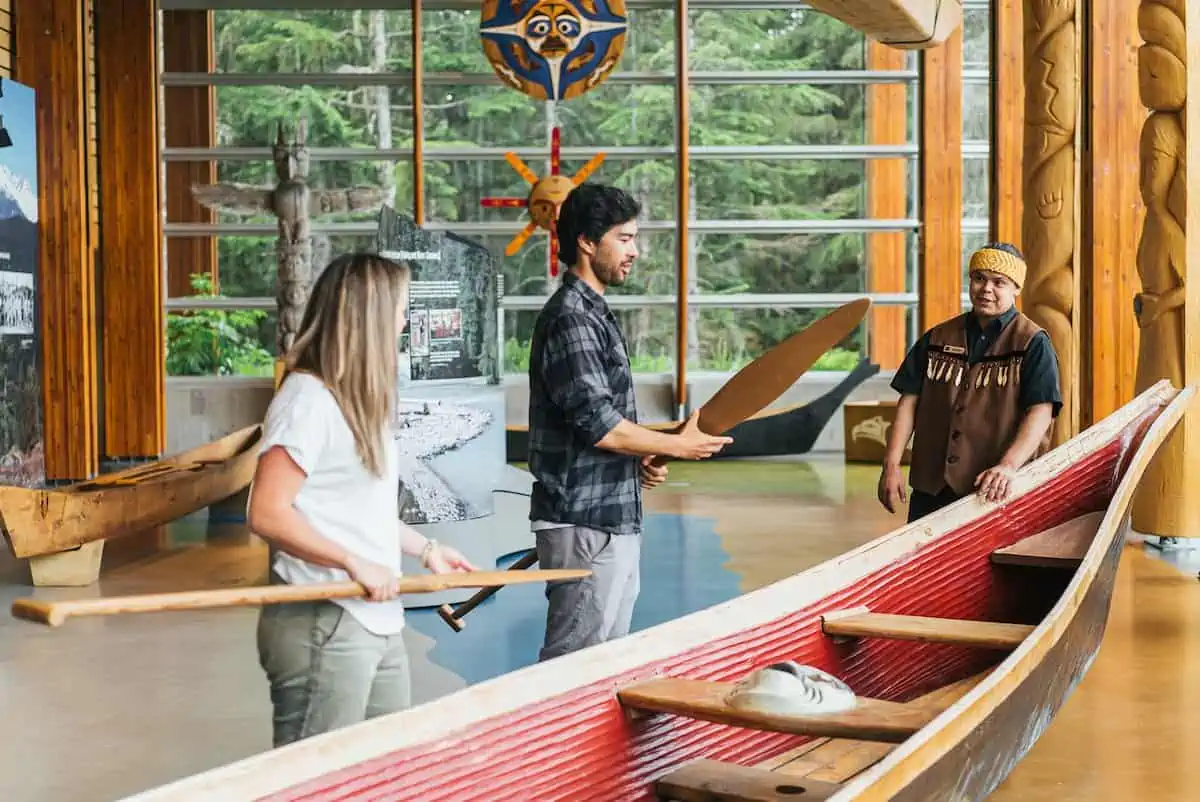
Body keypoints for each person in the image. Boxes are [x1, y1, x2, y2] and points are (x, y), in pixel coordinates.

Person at [247, 252, 477, 748]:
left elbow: (358, 510)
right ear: (369, 318)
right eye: (400, 309)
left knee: (382, 769)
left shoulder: (357, 401)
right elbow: (267, 512)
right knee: (315, 780)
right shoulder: (306, 400)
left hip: (375, 615)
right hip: (324, 617)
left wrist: (425, 548)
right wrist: (353, 563)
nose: (405, 321)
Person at [527, 182, 733, 662]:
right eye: (623, 238)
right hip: (584, 523)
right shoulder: (571, 318)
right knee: (573, 666)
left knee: (603, 663)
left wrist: (639, 459)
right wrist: (679, 445)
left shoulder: (595, 312)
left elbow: (604, 424)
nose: (635, 251)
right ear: (586, 241)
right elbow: (600, 424)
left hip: (612, 517)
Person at [877, 242, 1062, 522]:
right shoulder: (937, 338)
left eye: (999, 282)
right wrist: (891, 463)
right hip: (931, 489)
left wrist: (1008, 466)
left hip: (994, 492)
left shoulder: (1033, 343)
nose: (986, 289)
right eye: (979, 278)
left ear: (1016, 289)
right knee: (925, 564)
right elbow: (909, 401)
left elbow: (1041, 411)